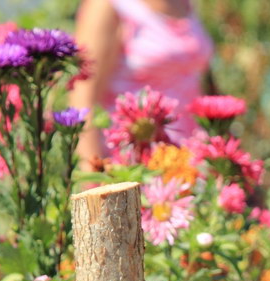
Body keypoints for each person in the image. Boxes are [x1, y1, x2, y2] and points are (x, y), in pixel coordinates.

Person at [70, 0, 214, 165]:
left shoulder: (186, 4)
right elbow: (82, 98)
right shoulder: (107, 5)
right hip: (131, 161)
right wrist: (92, 173)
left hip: (188, 160)